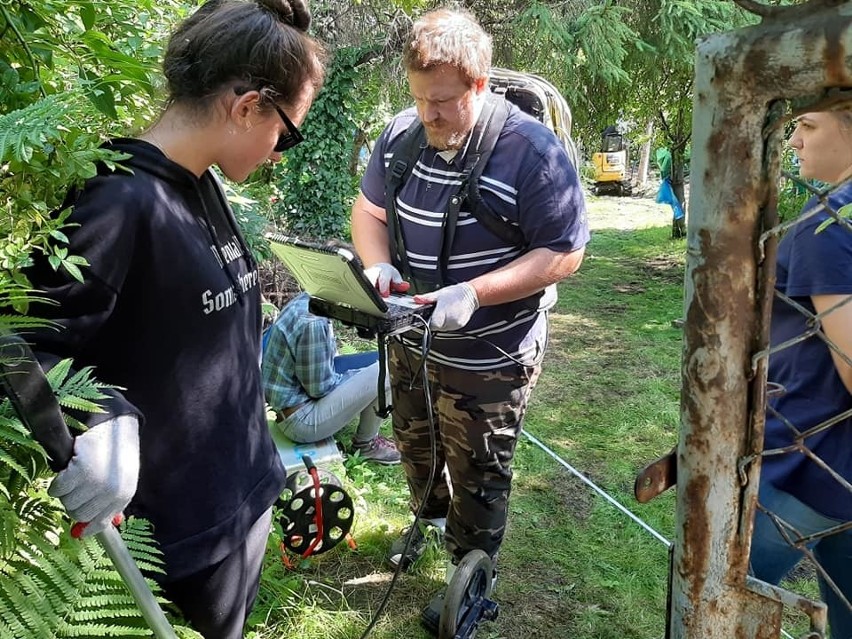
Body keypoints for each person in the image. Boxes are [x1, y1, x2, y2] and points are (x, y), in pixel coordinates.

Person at [22, 1, 325, 637]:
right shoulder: (116, 201)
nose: (281, 153)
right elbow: (21, 342)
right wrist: (100, 419)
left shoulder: (199, 180)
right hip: (181, 540)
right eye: (288, 133)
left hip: (241, 494)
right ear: (246, 108)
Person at [349, 7, 589, 626]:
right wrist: (375, 266)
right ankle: (428, 524)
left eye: (445, 102)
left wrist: (476, 293)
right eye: (421, 98)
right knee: (415, 446)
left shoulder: (531, 152)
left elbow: (565, 252)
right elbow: (369, 212)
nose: (430, 115)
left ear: (479, 85)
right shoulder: (403, 133)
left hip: (490, 355)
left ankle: (471, 569)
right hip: (411, 342)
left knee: (478, 471)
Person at [749, 109, 852, 638]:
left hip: (808, 464)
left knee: (719, 594)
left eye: (808, 125)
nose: (792, 138)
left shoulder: (831, 224)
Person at [261, 291, 401, 464]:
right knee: (389, 369)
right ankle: (366, 445)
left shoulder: (308, 299)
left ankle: (367, 439)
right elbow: (319, 389)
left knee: (378, 361)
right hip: (301, 421)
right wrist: (360, 379)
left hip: (293, 404)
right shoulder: (313, 322)